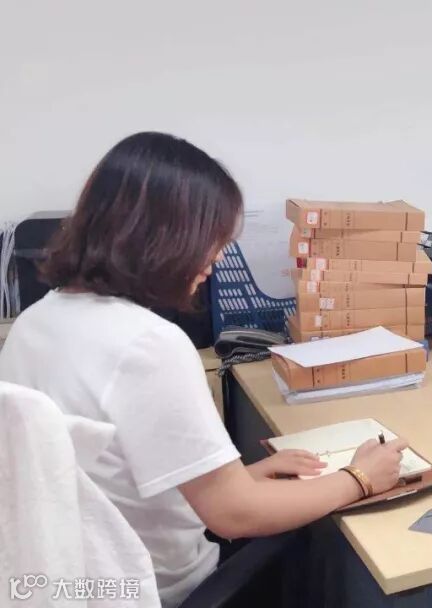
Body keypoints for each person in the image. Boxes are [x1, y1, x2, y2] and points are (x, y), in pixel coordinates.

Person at [0, 132, 407, 607]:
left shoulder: (35, 322)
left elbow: (109, 476)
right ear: (165, 238)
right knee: (328, 548)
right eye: (212, 239)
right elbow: (235, 516)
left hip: (72, 574)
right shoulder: (149, 346)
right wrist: (359, 477)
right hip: (157, 588)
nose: (216, 258)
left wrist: (239, 477)